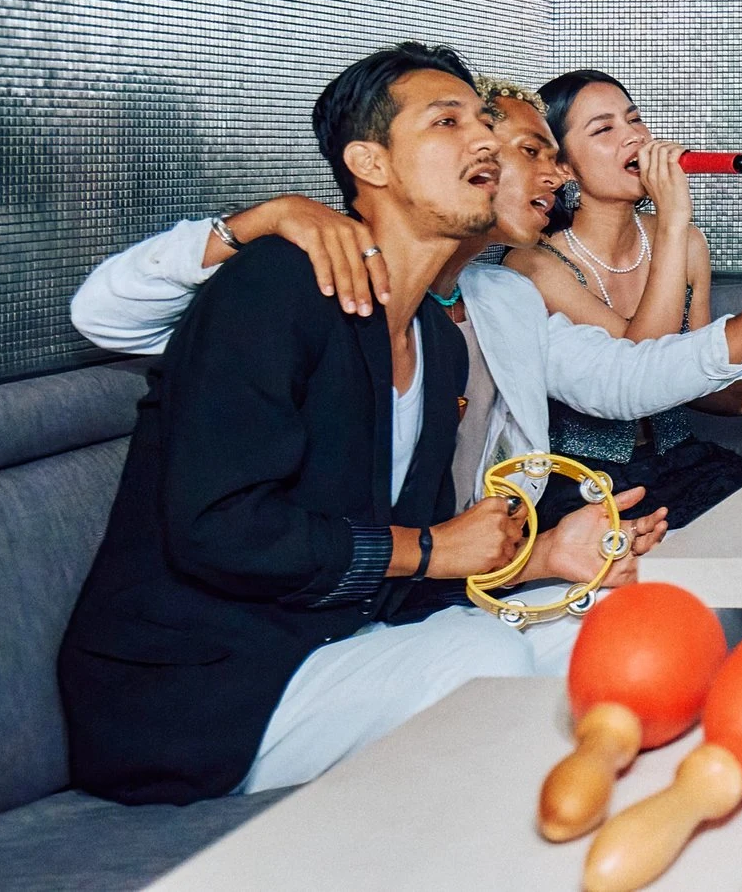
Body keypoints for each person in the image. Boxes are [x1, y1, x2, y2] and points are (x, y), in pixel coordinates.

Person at [59, 44, 606, 803]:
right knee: (480, 661)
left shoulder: (437, 346)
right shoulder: (276, 285)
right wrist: (430, 549)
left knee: (589, 643)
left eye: (484, 120)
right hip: (197, 691)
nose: (484, 139)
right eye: (448, 121)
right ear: (369, 163)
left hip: (337, 644)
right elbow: (218, 527)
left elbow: (410, 571)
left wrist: (532, 558)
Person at [70, 76, 742, 519]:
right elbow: (105, 314)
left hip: (459, 561)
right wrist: (261, 218)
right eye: (523, 150)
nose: (543, 172)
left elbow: (627, 378)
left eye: (532, 151)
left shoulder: (495, 295)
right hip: (379, 586)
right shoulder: (321, 277)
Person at [506, 69, 742, 526]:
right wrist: (675, 214)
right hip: (582, 484)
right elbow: (642, 367)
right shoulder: (533, 267)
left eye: (635, 120)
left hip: (682, 462)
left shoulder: (688, 241)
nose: (635, 138)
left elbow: (686, 375)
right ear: (562, 167)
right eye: (604, 129)